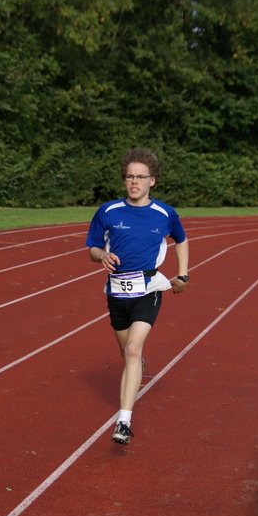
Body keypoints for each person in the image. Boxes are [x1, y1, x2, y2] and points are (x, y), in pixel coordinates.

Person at [86, 148, 189, 445]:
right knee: (128, 353)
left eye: (141, 177)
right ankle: (136, 368)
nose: (134, 182)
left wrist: (182, 274)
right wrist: (100, 256)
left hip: (148, 288)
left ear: (152, 181)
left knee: (132, 351)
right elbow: (92, 247)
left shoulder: (164, 213)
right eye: (130, 176)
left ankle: (123, 422)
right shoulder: (107, 211)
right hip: (116, 291)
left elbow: (180, 240)